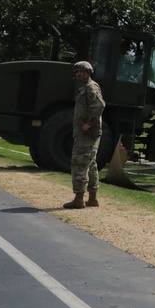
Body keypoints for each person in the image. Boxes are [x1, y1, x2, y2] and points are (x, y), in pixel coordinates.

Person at [64, 60, 105, 210]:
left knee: (79, 162)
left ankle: (79, 198)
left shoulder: (90, 88)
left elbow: (100, 105)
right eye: (76, 72)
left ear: (88, 73)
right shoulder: (85, 88)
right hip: (86, 133)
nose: (78, 74)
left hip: (86, 133)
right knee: (91, 164)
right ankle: (92, 198)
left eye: (81, 72)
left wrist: (89, 123)